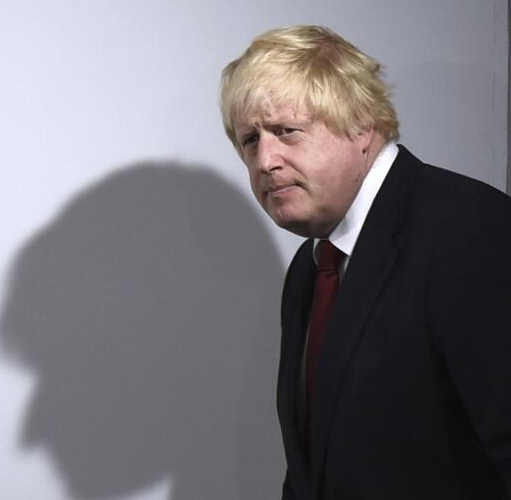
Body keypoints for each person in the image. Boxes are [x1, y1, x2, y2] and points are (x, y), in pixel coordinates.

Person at [219, 25, 511, 500]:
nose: (265, 160)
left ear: (362, 126)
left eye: (286, 131)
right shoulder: (311, 267)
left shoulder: (467, 230)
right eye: (250, 140)